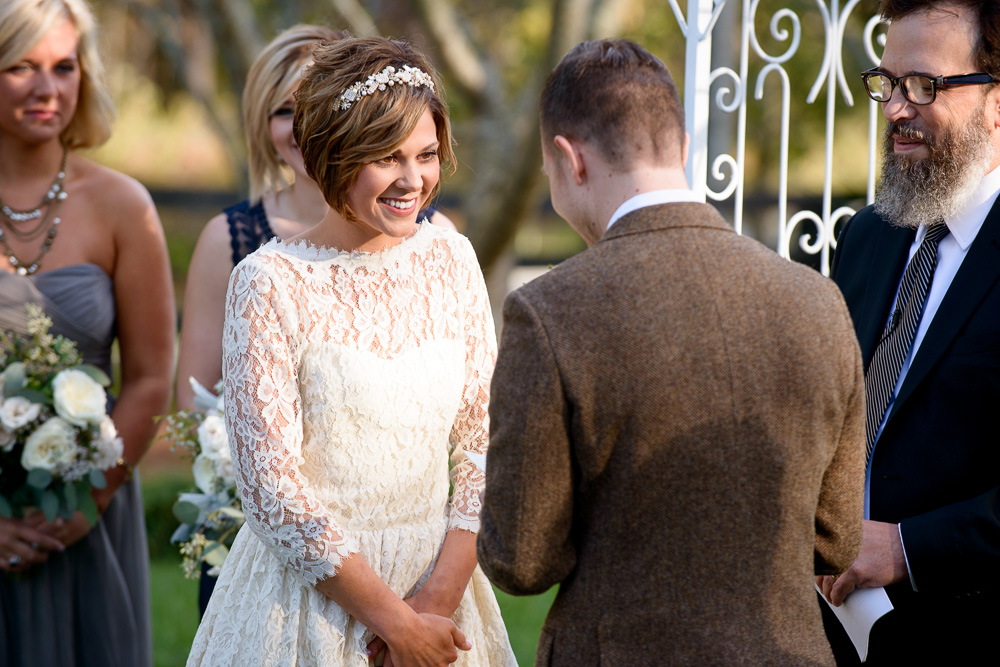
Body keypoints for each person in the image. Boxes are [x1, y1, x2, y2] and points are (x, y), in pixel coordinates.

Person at [476, 38, 865, 665]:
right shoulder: (818, 301)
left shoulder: (549, 312)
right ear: (682, 148)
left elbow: (521, 559)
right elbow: (836, 540)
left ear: (569, 159)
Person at [187, 37, 517, 667]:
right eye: (386, 157)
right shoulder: (267, 280)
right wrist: (393, 623)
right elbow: (271, 487)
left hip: (440, 590)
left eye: (426, 156)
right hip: (306, 604)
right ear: (334, 154)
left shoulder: (452, 259)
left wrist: (434, 607)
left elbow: (486, 438)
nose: (413, 181)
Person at [816, 1, 1000, 663]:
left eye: (925, 85)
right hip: (827, 631)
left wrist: (904, 548)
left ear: (996, 102)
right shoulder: (867, 239)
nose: (895, 108)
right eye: (888, 83)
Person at [0, 1, 175, 665]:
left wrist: (85, 501)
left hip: (88, 513)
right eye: (20, 66)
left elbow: (154, 374)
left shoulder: (124, 206)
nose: (47, 88)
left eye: (63, 66)